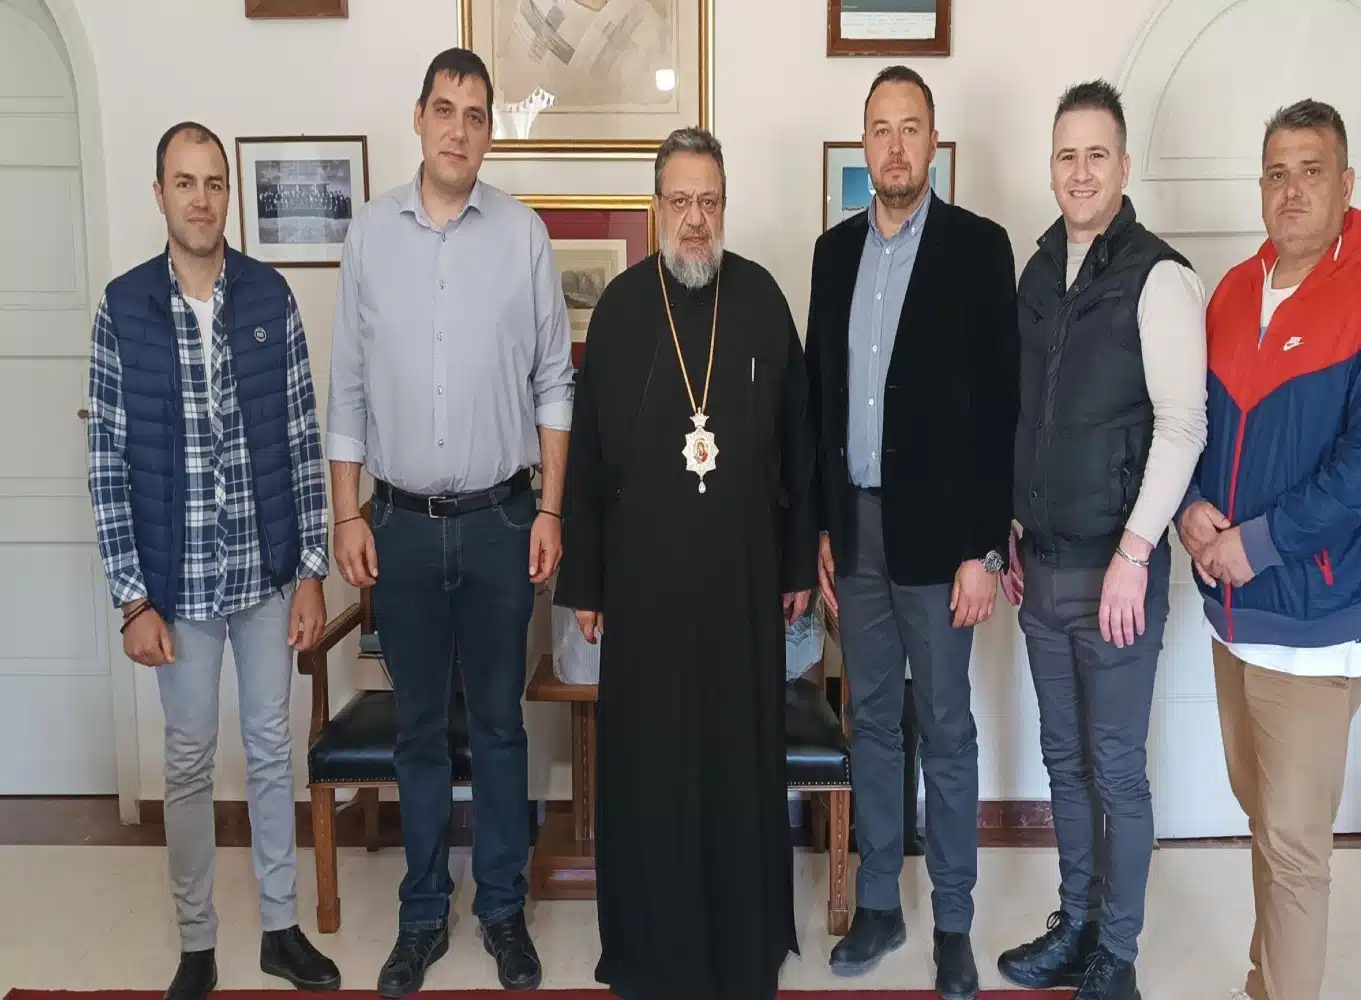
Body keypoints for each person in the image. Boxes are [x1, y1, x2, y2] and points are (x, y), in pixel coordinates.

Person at [1179, 99, 1361, 1000]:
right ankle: (1266, 982)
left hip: (1317, 622)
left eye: (1311, 171)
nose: (1291, 190)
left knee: (1293, 849)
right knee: (1265, 821)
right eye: (1276, 173)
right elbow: (1196, 425)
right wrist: (1191, 508)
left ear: (1347, 183)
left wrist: (1258, 543)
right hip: (1234, 614)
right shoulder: (1231, 292)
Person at [326, 48, 573, 996]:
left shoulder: (523, 236)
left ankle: (502, 908)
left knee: (503, 727)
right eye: (445, 110)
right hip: (398, 524)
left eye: (476, 115)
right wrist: (347, 513)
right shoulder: (369, 237)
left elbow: (554, 383)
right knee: (419, 730)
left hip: (503, 522)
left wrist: (550, 507)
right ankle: (423, 913)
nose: (459, 129)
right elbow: (348, 388)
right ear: (419, 117)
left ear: (488, 130)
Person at [551, 125, 817, 1000]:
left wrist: (796, 567)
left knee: (737, 758)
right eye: (680, 202)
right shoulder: (622, 310)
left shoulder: (762, 298)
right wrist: (585, 582)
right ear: (655, 207)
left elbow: (799, 447)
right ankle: (651, 945)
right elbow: (588, 458)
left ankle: (742, 939)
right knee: (652, 763)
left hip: (743, 580)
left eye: (709, 201)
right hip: (644, 587)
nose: (695, 219)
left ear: (724, 206)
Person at [85, 121, 341, 1000]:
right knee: (190, 762)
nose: (202, 199)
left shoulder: (270, 298)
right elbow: (106, 462)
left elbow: (303, 439)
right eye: (185, 182)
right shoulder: (123, 308)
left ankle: (280, 930)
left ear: (228, 195)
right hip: (176, 591)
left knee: (271, 751)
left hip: (267, 579)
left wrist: (311, 570)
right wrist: (132, 600)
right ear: (160, 194)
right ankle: (197, 943)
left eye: (214, 183)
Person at [804, 64, 1019, 1000]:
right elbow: (818, 400)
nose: (895, 146)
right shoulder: (832, 254)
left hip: (942, 543)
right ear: (865, 144)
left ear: (933, 141)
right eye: (880, 129)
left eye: (911, 128)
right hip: (854, 533)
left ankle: (955, 923)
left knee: (946, 727)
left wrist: (984, 548)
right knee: (873, 723)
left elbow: (1002, 409)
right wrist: (820, 523)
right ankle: (880, 903)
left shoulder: (978, 249)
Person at [995, 80, 1207, 1000]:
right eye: (1066, 155)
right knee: (1064, 762)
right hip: (1041, 568)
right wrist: (1010, 519)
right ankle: (1076, 928)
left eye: (1096, 155)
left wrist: (1135, 554)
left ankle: (1117, 956)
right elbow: (1024, 413)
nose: (1080, 173)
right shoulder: (1039, 273)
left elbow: (1183, 426)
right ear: (1051, 167)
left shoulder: (1161, 278)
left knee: (1118, 769)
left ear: (1123, 166)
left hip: (1116, 574)